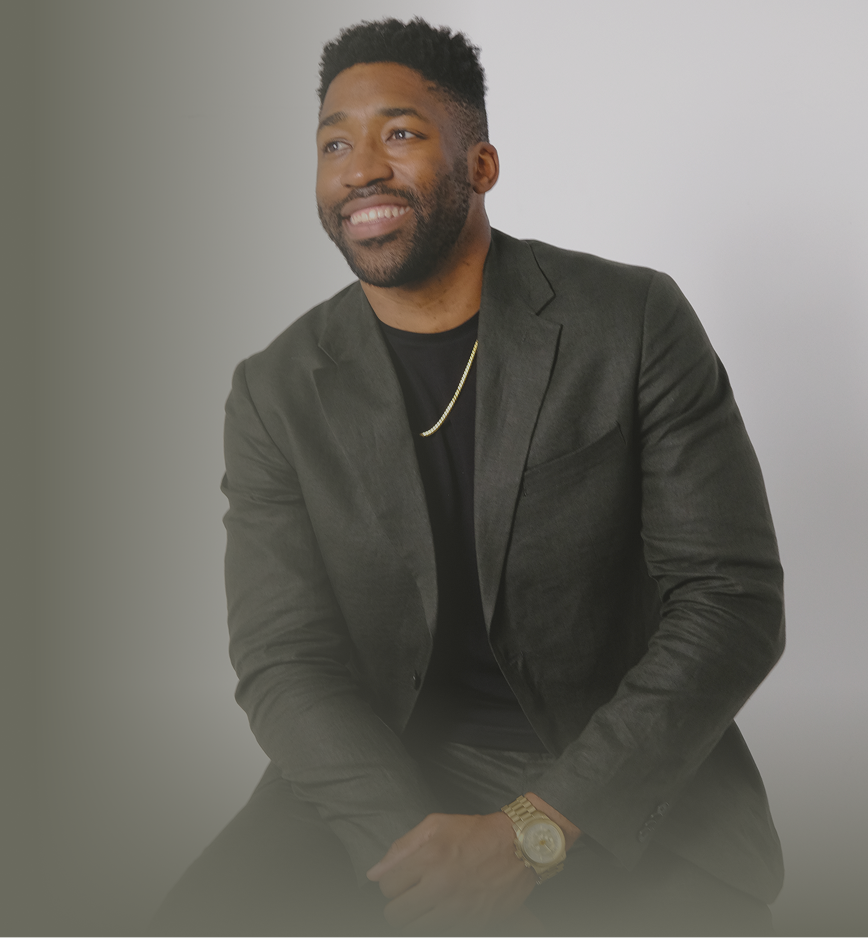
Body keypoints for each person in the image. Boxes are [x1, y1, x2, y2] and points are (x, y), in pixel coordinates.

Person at [149, 17, 784, 938]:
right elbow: (284, 659)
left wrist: (529, 835)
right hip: (376, 771)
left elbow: (732, 601)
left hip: (613, 779)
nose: (361, 166)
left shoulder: (633, 320)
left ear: (480, 165)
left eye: (399, 133)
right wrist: (416, 852)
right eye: (335, 142)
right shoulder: (274, 390)